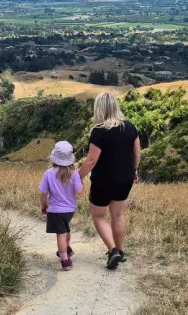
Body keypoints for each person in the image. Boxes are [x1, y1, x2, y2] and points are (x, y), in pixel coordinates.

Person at [78, 92, 140, 270]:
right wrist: (134, 170)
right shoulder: (130, 127)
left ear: (99, 109)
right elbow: (137, 153)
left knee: (98, 215)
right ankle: (120, 251)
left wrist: (77, 177)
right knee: (118, 215)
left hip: (103, 180)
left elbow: (91, 161)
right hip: (125, 178)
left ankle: (112, 251)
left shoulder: (98, 131)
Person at [39, 140, 84, 271]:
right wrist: (80, 181)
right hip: (70, 210)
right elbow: (80, 192)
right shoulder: (74, 173)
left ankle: (64, 260)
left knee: (61, 234)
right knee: (66, 229)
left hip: (55, 210)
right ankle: (67, 248)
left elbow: (43, 194)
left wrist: (43, 205)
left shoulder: (48, 173)